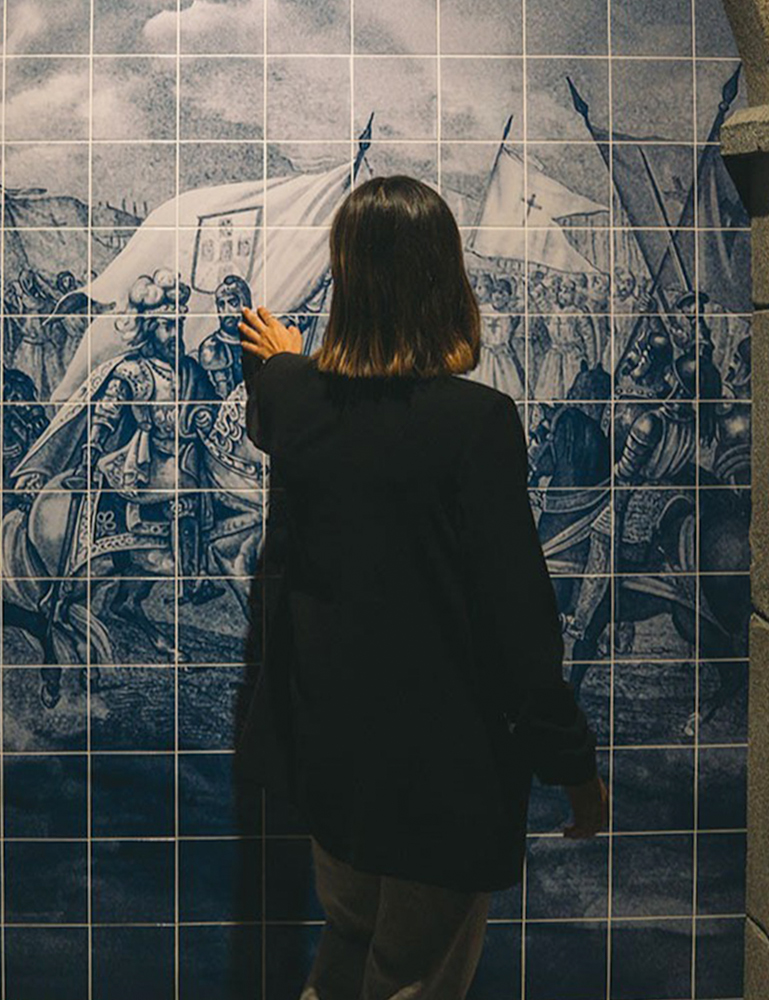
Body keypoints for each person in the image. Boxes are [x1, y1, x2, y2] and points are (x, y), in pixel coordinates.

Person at [232, 174, 610, 1000]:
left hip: (332, 761)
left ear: (344, 280)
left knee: (346, 952)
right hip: (440, 776)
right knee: (413, 981)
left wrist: (281, 357)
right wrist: (572, 764)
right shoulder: (476, 424)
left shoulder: (295, 400)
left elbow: (284, 395)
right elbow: (519, 623)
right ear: (446, 283)